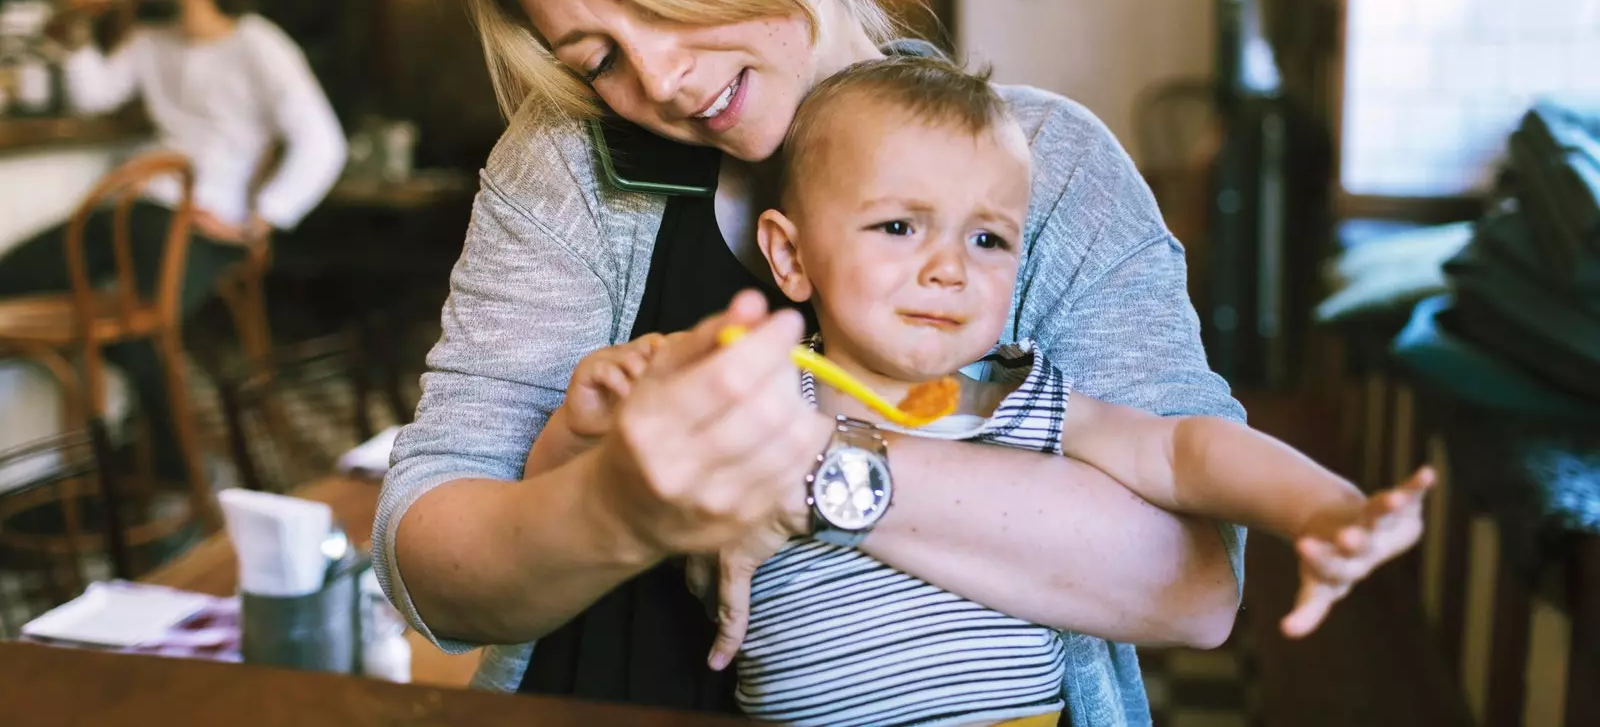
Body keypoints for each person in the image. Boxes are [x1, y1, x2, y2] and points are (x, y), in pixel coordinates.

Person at [376, 0, 1244, 722]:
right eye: (597, 52)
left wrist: (807, 471)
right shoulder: (564, 163)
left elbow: (1194, 581)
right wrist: (614, 505)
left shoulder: (1049, 167)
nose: (658, 81)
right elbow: (428, 570)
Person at [525, 57, 1434, 727]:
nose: (949, 268)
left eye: (989, 240)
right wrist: (582, 423)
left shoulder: (1015, 396)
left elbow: (1181, 448)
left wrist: (1321, 508)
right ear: (791, 255)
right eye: (898, 225)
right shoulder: (756, 386)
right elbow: (563, 510)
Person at [0, 0, 347, 481]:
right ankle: (143, 461)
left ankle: (170, 473)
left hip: (208, 227)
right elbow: (94, 95)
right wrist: (81, 26)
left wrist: (262, 221)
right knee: (14, 279)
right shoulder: (150, 41)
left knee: (139, 326)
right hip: (131, 213)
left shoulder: (255, 42)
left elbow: (323, 142)